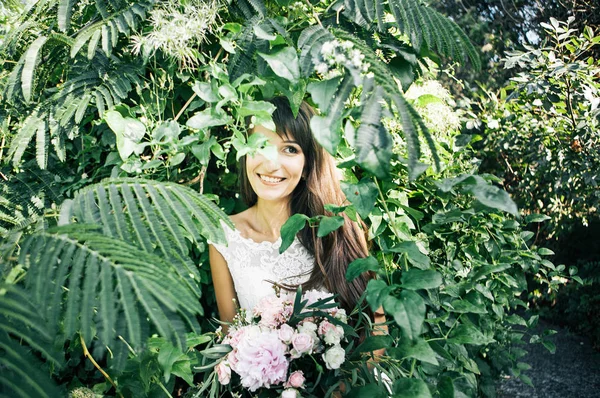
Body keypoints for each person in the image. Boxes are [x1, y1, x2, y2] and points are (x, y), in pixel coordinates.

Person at [209, 96, 380, 328]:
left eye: (289, 149)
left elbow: (376, 328)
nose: (271, 164)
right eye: (260, 145)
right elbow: (230, 337)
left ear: (308, 165)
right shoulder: (224, 235)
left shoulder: (339, 226)